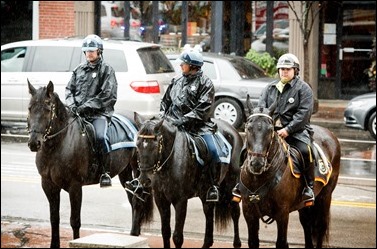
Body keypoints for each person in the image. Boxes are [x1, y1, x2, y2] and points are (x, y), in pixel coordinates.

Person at [232, 53, 315, 206]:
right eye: (281, 69)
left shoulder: (303, 89)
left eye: (288, 69)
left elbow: (303, 114)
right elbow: (261, 109)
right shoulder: (269, 88)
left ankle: (309, 188)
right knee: (246, 149)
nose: (284, 72)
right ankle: (239, 184)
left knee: (306, 151)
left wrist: (288, 130)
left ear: (295, 71)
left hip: (296, 132)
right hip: (270, 131)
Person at [159, 49, 220, 202]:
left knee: (213, 151)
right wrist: (163, 118)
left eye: (184, 63)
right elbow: (165, 102)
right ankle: (145, 180)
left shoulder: (206, 83)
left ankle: (213, 186)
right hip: (173, 125)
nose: (180, 65)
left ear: (193, 66)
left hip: (198, 128)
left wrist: (182, 120)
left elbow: (202, 110)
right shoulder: (176, 81)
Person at [65, 34, 118, 188]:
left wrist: (86, 107)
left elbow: (108, 95)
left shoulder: (107, 70)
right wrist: (72, 104)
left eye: (92, 51)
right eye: (86, 51)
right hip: (77, 113)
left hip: (99, 114)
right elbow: (69, 89)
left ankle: (104, 172)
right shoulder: (78, 70)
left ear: (99, 51)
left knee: (100, 137)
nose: (89, 53)